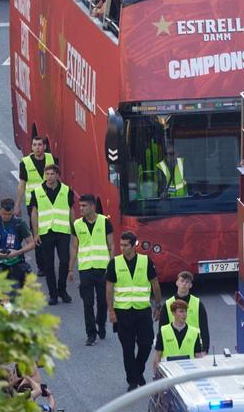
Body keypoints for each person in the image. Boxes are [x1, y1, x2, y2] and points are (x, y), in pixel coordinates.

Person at [106, 231, 162, 391]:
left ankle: (138, 371)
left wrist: (158, 306)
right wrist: (111, 310)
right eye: (121, 245)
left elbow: (155, 284)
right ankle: (132, 380)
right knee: (128, 348)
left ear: (133, 246)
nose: (122, 248)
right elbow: (109, 287)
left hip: (142, 310)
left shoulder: (146, 261)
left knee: (146, 343)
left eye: (125, 245)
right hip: (122, 312)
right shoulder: (114, 263)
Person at [68, 193, 115, 346]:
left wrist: (112, 266)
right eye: (80, 206)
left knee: (102, 301)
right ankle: (91, 334)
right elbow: (74, 247)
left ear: (92, 206)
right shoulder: (77, 224)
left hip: (102, 269)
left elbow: (111, 245)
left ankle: (101, 323)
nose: (80, 208)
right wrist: (70, 269)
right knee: (87, 303)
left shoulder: (105, 222)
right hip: (85, 269)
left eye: (84, 206)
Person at [30, 164, 75, 305]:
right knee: (48, 264)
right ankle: (53, 294)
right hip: (46, 232)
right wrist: (35, 233)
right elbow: (34, 213)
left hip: (62, 231)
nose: (49, 177)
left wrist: (74, 230)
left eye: (52, 174)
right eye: (47, 174)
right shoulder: (37, 191)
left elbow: (71, 210)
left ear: (57, 175)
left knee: (64, 261)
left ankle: (62, 289)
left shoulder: (67, 190)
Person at [15, 135, 54, 275]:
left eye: (40, 145)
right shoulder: (25, 162)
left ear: (44, 147)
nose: (37, 148)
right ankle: (41, 266)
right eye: (34, 145)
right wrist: (17, 205)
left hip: (49, 203)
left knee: (50, 233)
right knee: (37, 233)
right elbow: (22, 185)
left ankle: (48, 262)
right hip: (33, 204)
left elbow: (57, 180)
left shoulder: (51, 159)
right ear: (31, 147)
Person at [0, 197, 35, 287]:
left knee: (15, 292)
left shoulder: (20, 224)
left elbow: (31, 244)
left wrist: (17, 252)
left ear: (13, 211)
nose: (6, 216)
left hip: (15, 263)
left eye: (9, 214)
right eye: (4, 214)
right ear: (0, 210)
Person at [158, 270, 210, 351]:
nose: (184, 284)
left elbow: (204, 328)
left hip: (193, 346)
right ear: (177, 283)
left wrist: (205, 349)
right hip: (173, 347)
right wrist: (159, 349)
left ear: (190, 285)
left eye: (187, 282)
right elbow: (161, 330)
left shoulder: (198, 304)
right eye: (182, 281)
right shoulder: (167, 305)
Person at [153, 298, 204, 369]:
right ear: (173, 313)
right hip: (169, 371)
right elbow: (157, 356)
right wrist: (156, 373)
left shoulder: (194, 332)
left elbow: (198, 357)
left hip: (188, 371)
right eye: (181, 311)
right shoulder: (163, 331)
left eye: (185, 311)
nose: (184, 314)